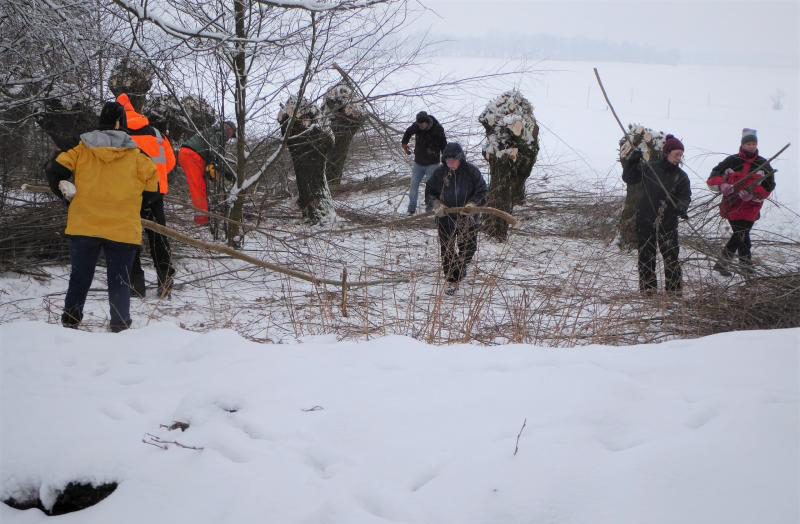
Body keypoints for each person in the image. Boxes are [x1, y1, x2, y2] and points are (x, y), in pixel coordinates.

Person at [45, 101, 158, 332]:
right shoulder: (137, 155)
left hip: (84, 225)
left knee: (80, 277)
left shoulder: (82, 148)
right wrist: (137, 207)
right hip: (122, 228)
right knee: (120, 280)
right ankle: (119, 325)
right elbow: (153, 188)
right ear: (121, 123)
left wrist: (66, 197)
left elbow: (54, 170)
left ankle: (70, 322)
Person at [116, 93, 177, 298]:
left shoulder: (115, 134)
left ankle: (135, 286)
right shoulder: (156, 133)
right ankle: (165, 283)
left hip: (128, 194)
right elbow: (170, 163)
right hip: (155, 193)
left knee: (129, 239)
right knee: (159, 239)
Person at [622, 134, 691, 295]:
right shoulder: (650, 168)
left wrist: (682, 207)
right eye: (677, 154)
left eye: (681, 155)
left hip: (668, 221)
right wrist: (632, 162)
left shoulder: (681, 176)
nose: (679, 158)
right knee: (646, 256)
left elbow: (685, 196)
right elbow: (629, 178)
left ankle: (674, 292)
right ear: (667, 153)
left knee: (671, 256)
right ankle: (648, 291)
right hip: (645, 218)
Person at [707, 128, 775, 276]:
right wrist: (722, 185)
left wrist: (754, 194)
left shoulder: (762, 163)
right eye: (748, 144)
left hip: (751, 207)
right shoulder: (732, 161)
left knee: (741, 234)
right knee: (742, 235)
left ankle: (727, 265)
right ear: (742, 144)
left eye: (753, 144)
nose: (751, 146)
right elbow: (712, 177)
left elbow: (769, 187)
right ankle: (745, 268)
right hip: (732, 205)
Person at [425, 142, 487, 295]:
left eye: (453, 160)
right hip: (445, 217)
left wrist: (473, 204)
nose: (450, 163)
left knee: (469, 247)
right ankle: (453, 280)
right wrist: (436, 204)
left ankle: (460, 267)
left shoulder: (471, 171)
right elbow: (430, 192)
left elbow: (483, 191)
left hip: (468, 217)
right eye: (448, 160)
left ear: (460, 158)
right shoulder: (440, 173)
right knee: (447, 249)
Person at [178, 121, 236, 225]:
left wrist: (217, 171)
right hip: (191, 155)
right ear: (229, 129)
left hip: (195, 156)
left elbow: (213, 157)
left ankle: (203, 216)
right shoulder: (218, 134)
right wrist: (226, 172)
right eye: (231, 133)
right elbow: (213, 155)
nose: (230, 137)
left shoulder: (215, 131)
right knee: (198, 188)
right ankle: (202, 220)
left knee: (201, 187)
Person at [401, 111, 447, 215]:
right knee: (413, 186)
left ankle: (429, 209)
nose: (420, 126)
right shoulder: (417, 126)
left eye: (422, 124)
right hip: (418, 163)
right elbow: (408, 132)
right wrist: (404, 143)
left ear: (427, 121)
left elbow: (444, 145)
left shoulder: (437, 129)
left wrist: (445, 161)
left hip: (433, 164)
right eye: (419, 124)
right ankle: (411, 209)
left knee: (431, 187)